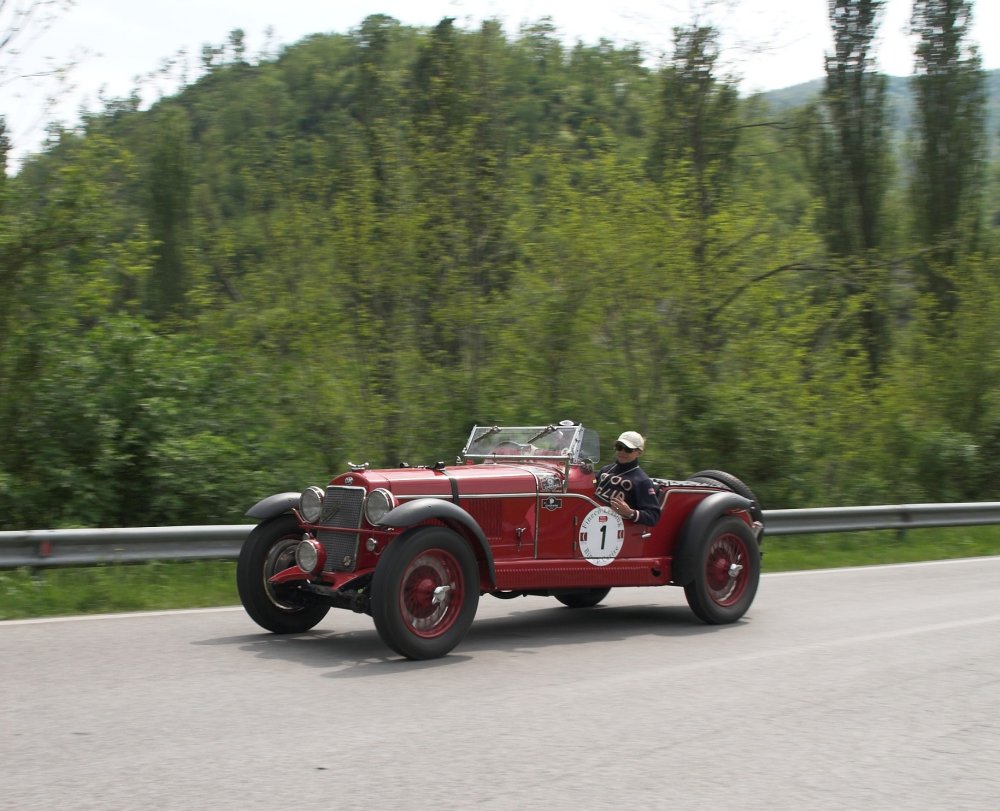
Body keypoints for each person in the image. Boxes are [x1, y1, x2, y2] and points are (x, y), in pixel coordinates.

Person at [594, 431, 661, 526]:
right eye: (619, 447)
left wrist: (630, 512)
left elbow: (653, 516)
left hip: (615, 529)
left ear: (639, 452)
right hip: (592, 518)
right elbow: (591, 487)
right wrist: (587, 475)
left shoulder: (642, 481)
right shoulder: (606, 469)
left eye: (628, 449)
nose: (622, 452)